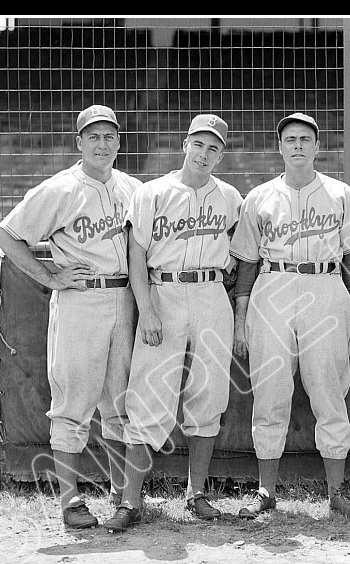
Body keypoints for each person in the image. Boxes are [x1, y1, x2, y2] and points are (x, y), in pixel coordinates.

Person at [0, 105, 143, 528]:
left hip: (125, 299)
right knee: (73, 403)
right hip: (81, 300)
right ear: (79, 143)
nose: (102, 144)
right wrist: (51, 275)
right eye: (92, 137)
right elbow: (6, 235)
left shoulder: (133, 188)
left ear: (119, 142)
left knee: (122, 404)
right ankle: (70, 501)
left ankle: (121, 496)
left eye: (109, 136)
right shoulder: (60, 189)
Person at [103, 114, 243, 531]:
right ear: (185, 145)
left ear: (221, 155)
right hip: (162, 292)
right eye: (198, 144)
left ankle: (196, 493)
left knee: (210, 391)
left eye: (213, 147)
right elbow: (136, 257)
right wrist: (147, 310)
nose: (204, 153)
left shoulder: (232, 198)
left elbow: (240, 255)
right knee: (148, 392)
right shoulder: (152, 193)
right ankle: (130, 501)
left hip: (211, 292)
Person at [230, 112, 350, 518]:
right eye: (290, 139)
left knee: (328, 388)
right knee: (270, 390)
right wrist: (240, 319)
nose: (297, 145)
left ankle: (337, 492)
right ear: (279, 147)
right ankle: (265, 490)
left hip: (326, 286)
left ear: (318, 147)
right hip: (272, 287)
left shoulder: (341, 194)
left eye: (306, 139)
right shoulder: (259, 197)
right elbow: (247, 265)